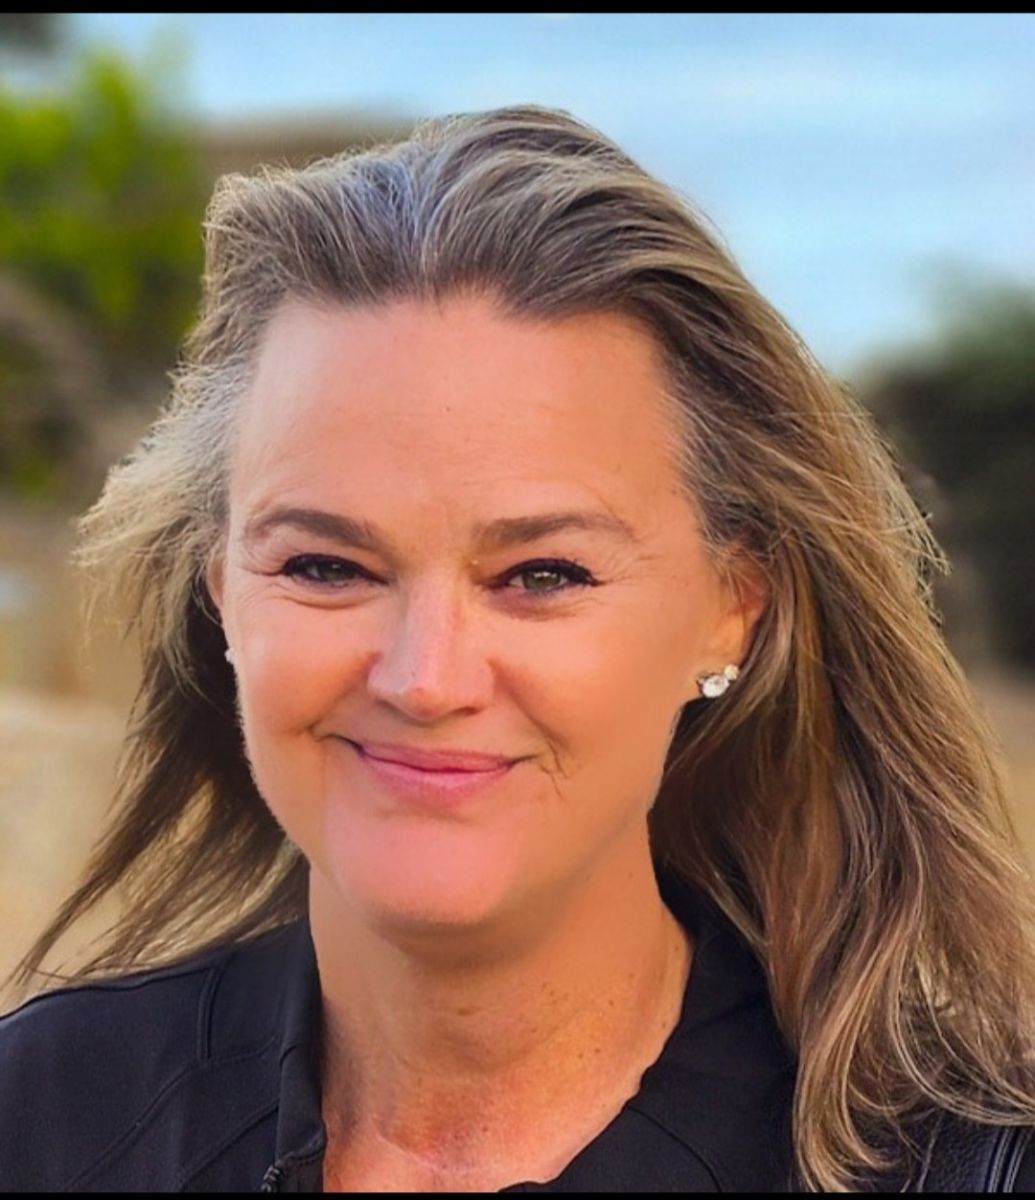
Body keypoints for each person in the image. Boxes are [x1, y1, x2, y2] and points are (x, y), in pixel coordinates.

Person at [2, 104, 1034, 1193]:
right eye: (327, 566)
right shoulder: (45, 1121)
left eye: (543, 575)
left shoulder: (965, 1167)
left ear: (734, 609)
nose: (425, 678)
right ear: (223, 590)